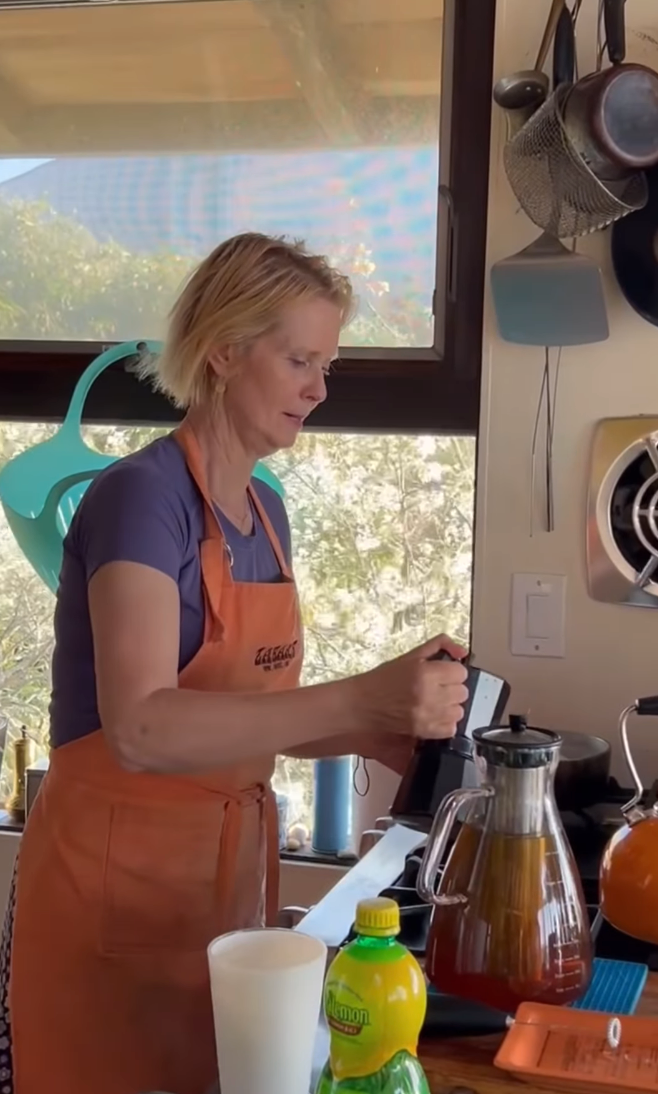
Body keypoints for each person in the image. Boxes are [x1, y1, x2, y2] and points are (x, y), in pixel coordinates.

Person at [4, 233, 468, 1094]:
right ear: (222, 350)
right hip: (114, 909)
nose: (319, 389)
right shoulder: (141, 499)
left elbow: (247, 718)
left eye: (326, 366)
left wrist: (380, 730)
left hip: (222, 905)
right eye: (299, 360)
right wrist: (359, 698)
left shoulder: (266, 515)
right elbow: (144, 727)